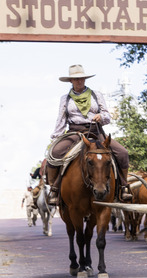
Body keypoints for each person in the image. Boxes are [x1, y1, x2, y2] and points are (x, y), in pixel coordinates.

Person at [45, 64, 133, 205]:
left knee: (122, 152)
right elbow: (61, 120)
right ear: (71, 81)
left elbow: (107, 115)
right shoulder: (65, 99)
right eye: (76, 79)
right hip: (75, 132)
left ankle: (123, 186)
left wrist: (101, 116)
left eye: (81, 78)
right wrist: (56, 137)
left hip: (95, 131)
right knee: (54, 152)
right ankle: (54, 189)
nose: (79, 81)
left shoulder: (96, 95)